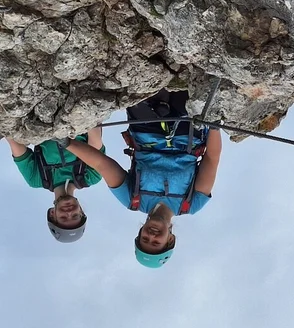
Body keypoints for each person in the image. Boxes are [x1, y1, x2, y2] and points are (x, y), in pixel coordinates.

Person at [60, 90, 223, 268]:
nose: (151, 235)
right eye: (156, 242)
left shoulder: (132, 199)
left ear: (140, 232)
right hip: (188, 130)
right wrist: (214, 127)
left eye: (145, 239)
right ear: (170, 239)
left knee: (146, 85)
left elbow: (102, 165)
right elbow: (212, 158)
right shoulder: (192, 204)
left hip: (145, 128)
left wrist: (67, 143)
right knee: (185, 84)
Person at [5, 127, 104, 243]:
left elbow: (16, 145)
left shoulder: (36, 178)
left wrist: (4, 128)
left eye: (63, 218)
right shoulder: (91, 176)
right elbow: (95, 139)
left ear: (52, 214)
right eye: (75, 216)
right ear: (81, 211)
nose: (69, 212)